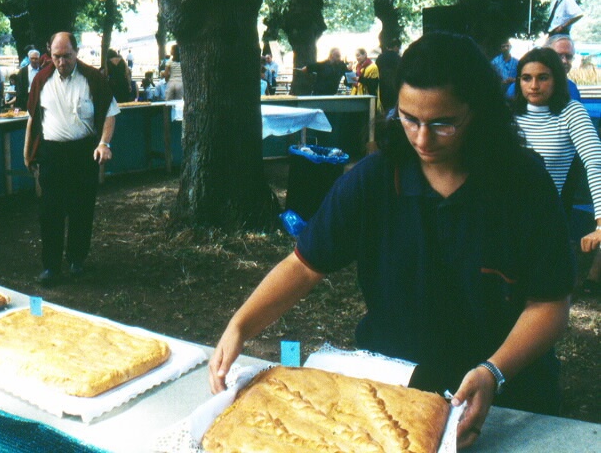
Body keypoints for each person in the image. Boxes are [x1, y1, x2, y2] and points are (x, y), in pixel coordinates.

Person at [208, 32, 573, 449]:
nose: (421, 139)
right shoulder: (373, 180)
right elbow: (305, 265)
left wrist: (494, 371)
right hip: (398, 385)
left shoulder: (523, 183)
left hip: (510, 389)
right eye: (409, 118)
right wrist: (241, 325)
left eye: (442, 124)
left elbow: (550, 304)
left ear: (480, 112)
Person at [24, 32, 119, 285]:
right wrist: (27, 152)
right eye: (56, 56)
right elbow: (33, 118)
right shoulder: (41, 79)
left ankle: (77, 260)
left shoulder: (93, 79)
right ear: (49, 53)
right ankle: (51, 267)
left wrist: (103, 143)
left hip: (83, 152)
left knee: (82, 208)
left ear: (76, 52)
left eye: (66, 56)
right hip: (52, 153)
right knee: (50, 211)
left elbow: (111, 113)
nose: (62, 62)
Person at [513, 47, 601, 296]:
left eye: (543, 77)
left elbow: (595, 162)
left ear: (557, 80)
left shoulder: (571, 113)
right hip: (502, 212)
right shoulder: (508, 114)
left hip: (545, 215)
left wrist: (600, 221)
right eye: (526, 78)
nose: (534, 85)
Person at [375, 38, 402, 113]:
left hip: (382, 84)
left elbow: (377, 69)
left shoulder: (380, 57)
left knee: (385, 104)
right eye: (399, 47)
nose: (399, 49)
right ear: (396, 47)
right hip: (394, 84)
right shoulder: (398, 58)